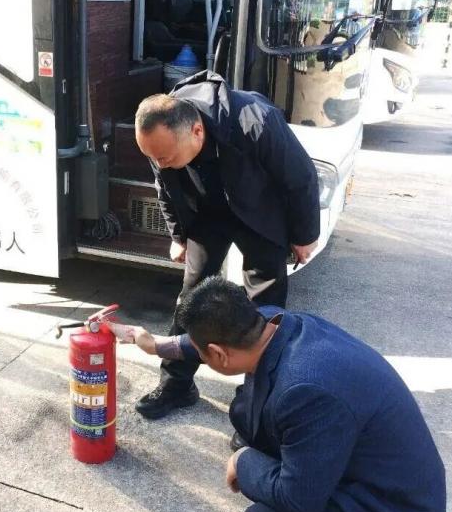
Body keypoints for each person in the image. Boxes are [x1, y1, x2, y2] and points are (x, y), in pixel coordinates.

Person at [109, 277, 446, 512]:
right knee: (248, 412)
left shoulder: (305, 391)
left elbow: (298, 502)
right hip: (364, 462)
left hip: (398, 511)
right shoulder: (272, 322)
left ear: (218, 354)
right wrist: (155, 344)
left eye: (203, 352)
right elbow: (206, 341)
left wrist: (244, 462)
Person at [133, 71, 321, 420]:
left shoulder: (256, 120)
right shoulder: (159, 133)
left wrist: (304, 235)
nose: (159, 164)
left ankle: (253, 401)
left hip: (261, 214)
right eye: (153, 158)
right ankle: (176, 383)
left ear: (197, 131)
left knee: (265, 311)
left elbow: (301, 178)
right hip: (207, 213)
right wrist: (178, 236)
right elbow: (164, 188)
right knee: (192, 299)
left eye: (166, 158)